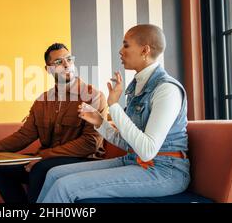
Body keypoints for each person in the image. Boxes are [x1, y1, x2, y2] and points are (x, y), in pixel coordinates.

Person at [37, 24, 190, 203]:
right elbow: (129, 144)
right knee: (54, 173)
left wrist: (114, 106)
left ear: (144, 50)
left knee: (65, 187)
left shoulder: (167, 90)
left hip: (165, 171)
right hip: (134, 160)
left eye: (126, 45)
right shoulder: (138, 86)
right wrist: (100, 123)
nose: (120, 51)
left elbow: (147, 151)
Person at [0, 43, 108, 203]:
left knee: (40, 169)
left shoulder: (93, 96)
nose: (67, 65)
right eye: (59, 62)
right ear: (48, 69)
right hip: (48, 159)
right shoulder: (42, 100)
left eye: (69, 59)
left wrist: (43, 156)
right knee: (1, 170)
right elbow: (24, 135)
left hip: (83, 159)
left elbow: (90, 143)